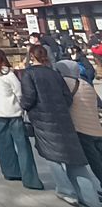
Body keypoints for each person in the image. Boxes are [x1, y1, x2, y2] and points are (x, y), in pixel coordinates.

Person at [21, 45, 100, 207]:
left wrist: (24, 107)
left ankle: (66, 191)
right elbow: (67, 98)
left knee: (53, 158)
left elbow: (29, 97)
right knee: (74, 160)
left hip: (43, 121)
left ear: (32, 57)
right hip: (63, 119)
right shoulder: (55, 74)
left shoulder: (29, 74)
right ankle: (90, 198)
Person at [0, 49, 43, 190]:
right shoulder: (9, 75)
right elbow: (19, 93)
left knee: (3, 145)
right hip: (13, 113)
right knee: (22, 146)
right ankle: (30, 178)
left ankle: (10, 172)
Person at [56, 60, 102, 187]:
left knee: (96, 163)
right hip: (96, 128)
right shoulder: (85, 83)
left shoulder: (65, 83)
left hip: (82, 129)